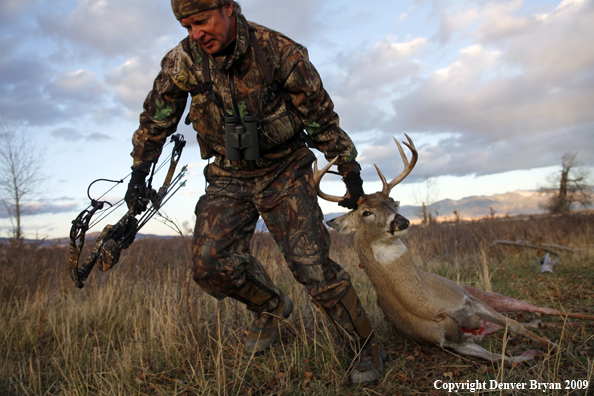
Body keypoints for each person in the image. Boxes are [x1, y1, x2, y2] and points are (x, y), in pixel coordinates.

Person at [125, 0, 385, 385]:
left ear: (229, 8)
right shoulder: (184, 60)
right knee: (209, 263)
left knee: (312, 266)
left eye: (201, 21)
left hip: (284, 168)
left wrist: (350, 171)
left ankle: (365, 347)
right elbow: (156, 116)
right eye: (186, 26)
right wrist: (139, 171)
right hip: (229, 174)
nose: (195, 33)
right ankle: (271, 307)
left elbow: (320, 117)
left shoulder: (279, 52)